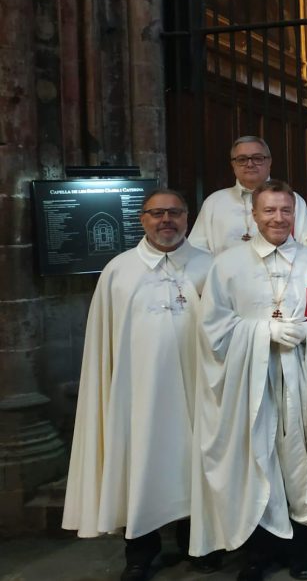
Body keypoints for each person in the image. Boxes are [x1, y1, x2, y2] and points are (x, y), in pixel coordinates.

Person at [63, 189, 212, 581]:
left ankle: (196, 542)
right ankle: (140, 551)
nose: (167, 220)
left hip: (197, 389)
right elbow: (104, 342)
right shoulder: (120, 271)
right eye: (157, 213)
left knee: (195, 459)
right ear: (142, 219)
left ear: (186, 217)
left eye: (175, 213)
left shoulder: (209, 266)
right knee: (138, 462)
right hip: (139, 394)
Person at [189, 180, 307, 581]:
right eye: (269, 211)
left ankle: (298, 548)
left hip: (300, 374)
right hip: (249, 378)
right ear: (254, 215)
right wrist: (261, 331)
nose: (278, 218)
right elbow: (212, 326)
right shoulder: (229, 264)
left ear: (295, 214)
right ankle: (258, 553)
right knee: (257, 459)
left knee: (297, 458)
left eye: (285, 210)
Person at [188, 136, 307, 255]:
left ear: (269, 162)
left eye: (257, 158)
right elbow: (197, 251)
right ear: (233, 164)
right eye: (242, 159)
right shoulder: (214, 202)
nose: (250, 164)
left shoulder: (291, 199)